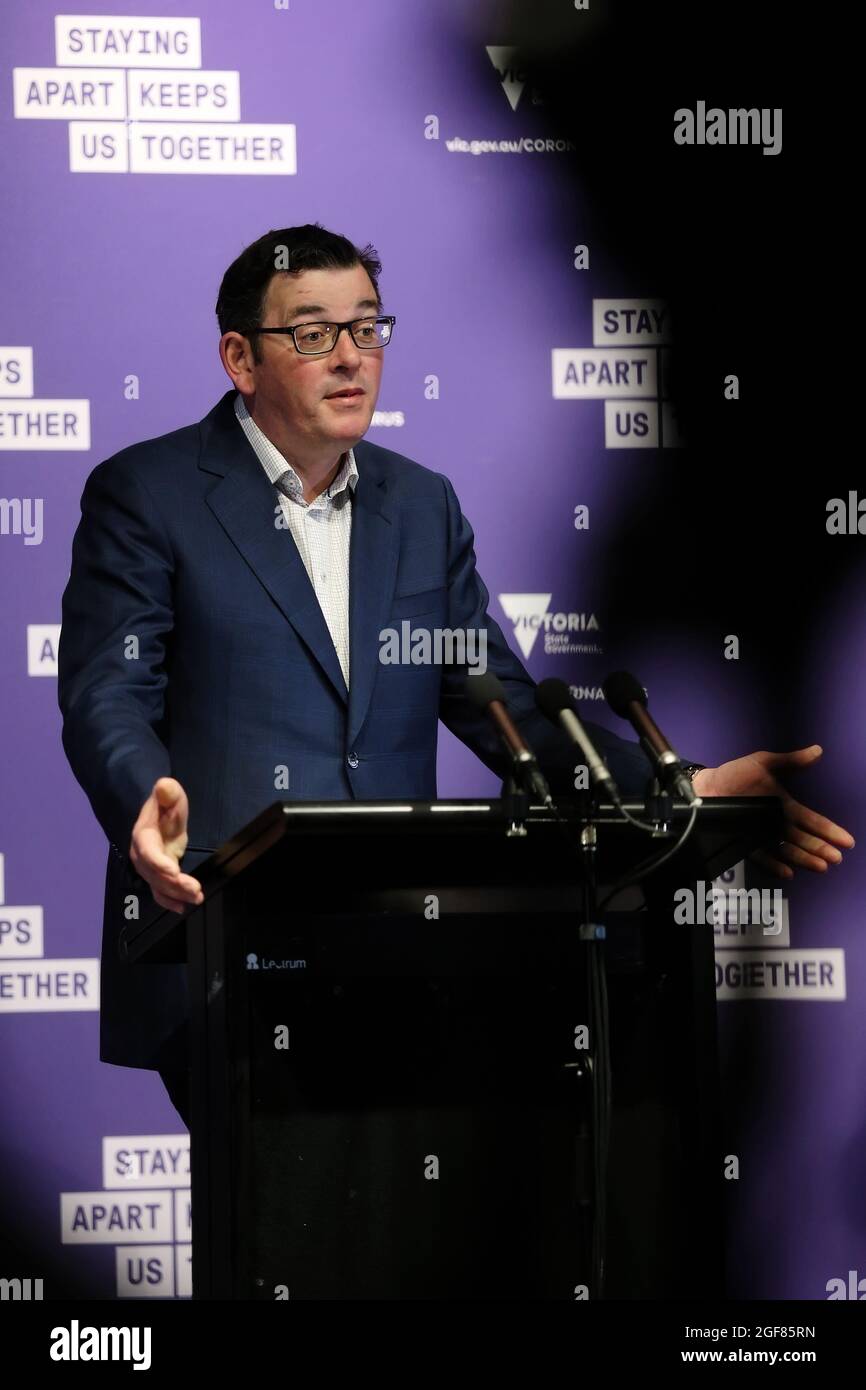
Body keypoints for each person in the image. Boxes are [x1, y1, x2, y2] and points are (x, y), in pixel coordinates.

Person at [58, 224, 853, 1127]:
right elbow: (106, 691)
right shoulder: (149, 493)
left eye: (368, 329)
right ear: (241, 358)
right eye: (313, 335)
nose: (351, 358)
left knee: (393, 1244)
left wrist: (693, 786)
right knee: (282, 1241)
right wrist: (140, 800)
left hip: (396, 951)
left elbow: (507, 710)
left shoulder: (421, 506)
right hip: (220, 941)